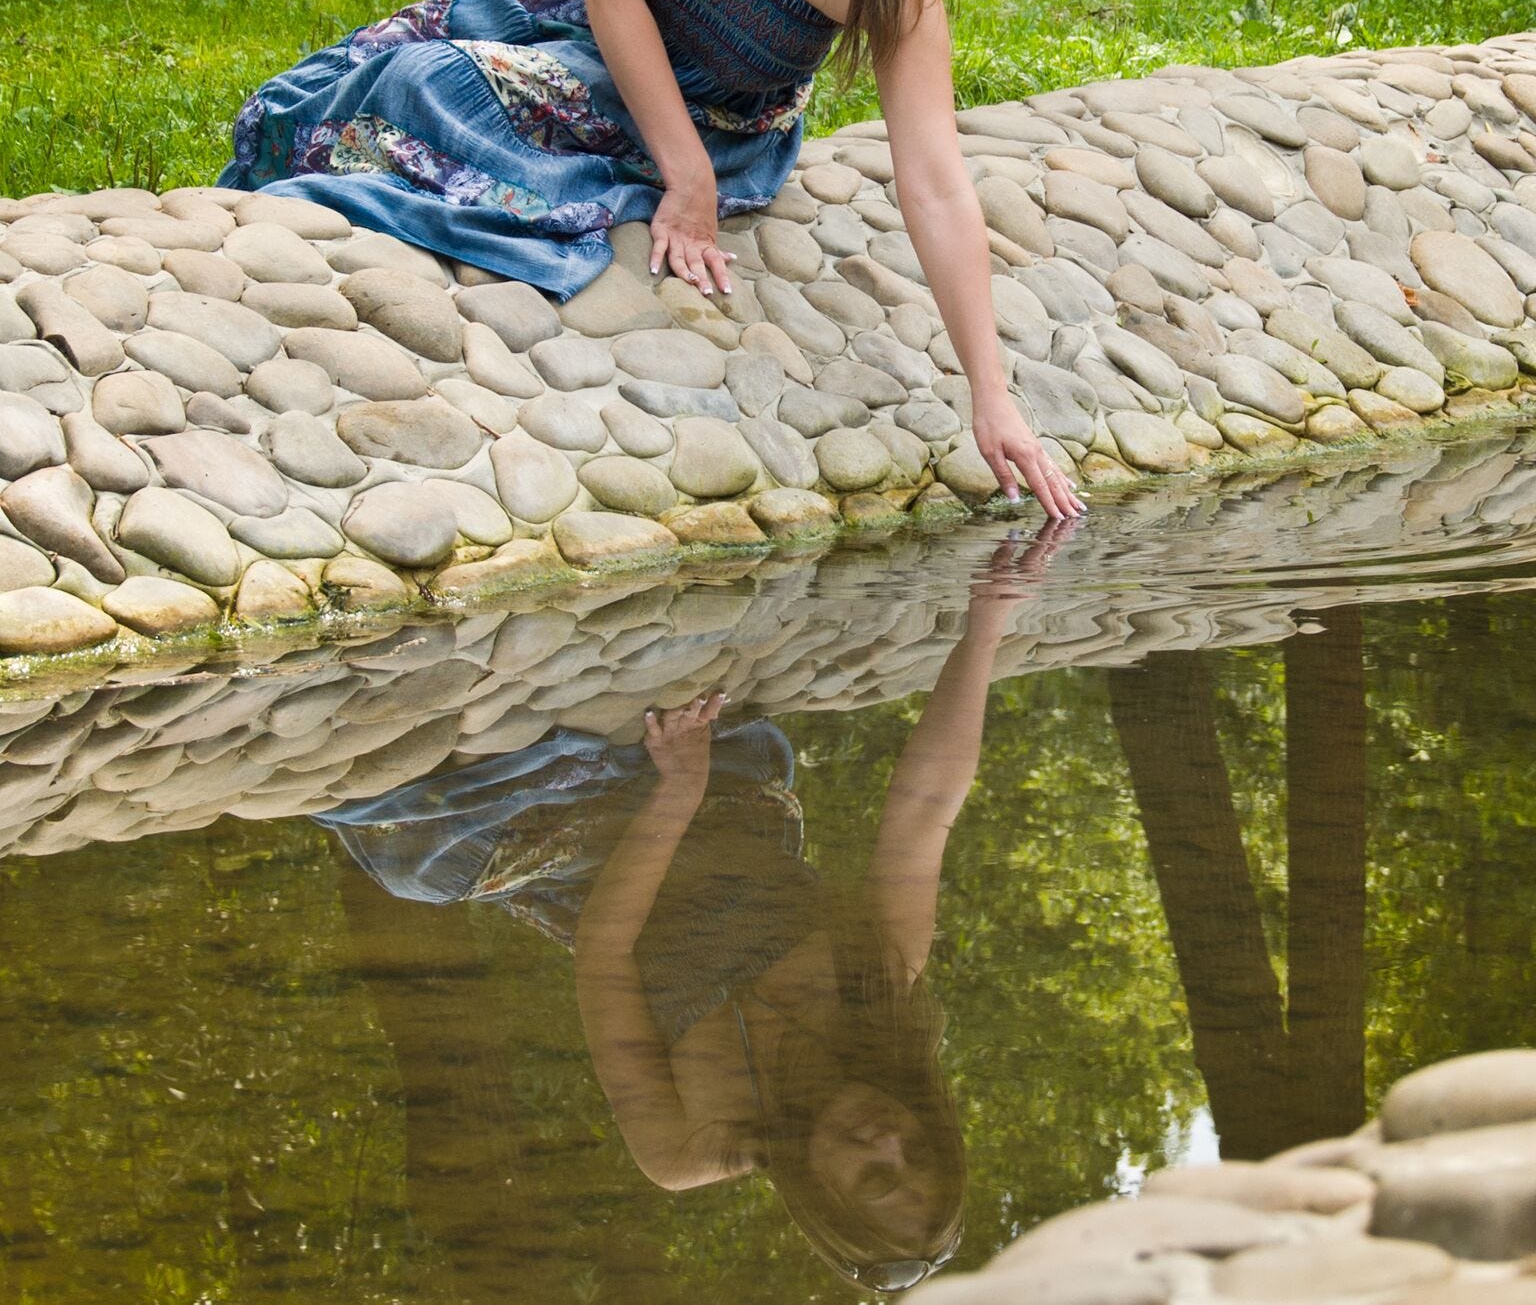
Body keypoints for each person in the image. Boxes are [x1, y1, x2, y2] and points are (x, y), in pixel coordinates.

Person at [218, 0, 1084, 521]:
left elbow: (936, 184)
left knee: (423, 84)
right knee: (334, 83)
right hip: (577, 12)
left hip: (710, 115)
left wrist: (991, 395)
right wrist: (686, 181)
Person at [316, 522, 1075, 1292]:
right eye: (917, 1152)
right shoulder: (883, 993)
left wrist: (676, 790)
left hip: (578, 863)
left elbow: (604, 956)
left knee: (415, 862)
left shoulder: (687, 1144)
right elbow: (926, 807)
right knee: (695, 660)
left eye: (874, 1177)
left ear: (821, 1200)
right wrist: (987, 623)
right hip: (727, 796)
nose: (888, 1141)